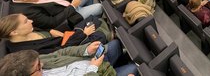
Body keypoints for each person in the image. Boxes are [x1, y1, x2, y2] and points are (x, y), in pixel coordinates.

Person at [0, 40, 139, 76]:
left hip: (94, 61)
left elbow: (61, 52)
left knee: (115, 44)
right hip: (97, 71)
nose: (42, 63)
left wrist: (85, 49)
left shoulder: (36, 61)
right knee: (135, 68)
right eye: (38, 67)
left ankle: (121, 61)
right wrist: (93, 68)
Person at [10, 0, 103, 30]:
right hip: (69, 16)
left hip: (69, 4)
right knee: (99, 7)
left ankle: (90, 16)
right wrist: (73, 7)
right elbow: (52, 22)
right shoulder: (26, 12)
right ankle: (92, 22)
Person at [0, 14, 111, 54]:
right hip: (72, 46)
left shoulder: (27, 30)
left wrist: (51, 31)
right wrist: (83, 34)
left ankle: (108, 28)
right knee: (99, 33)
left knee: (92, 19)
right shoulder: (28, 51)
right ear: (14, 32)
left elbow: (48, 30)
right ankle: (111, 32)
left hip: (67, 37)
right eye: (26, 21)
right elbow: (61, 51)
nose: (31, 21)